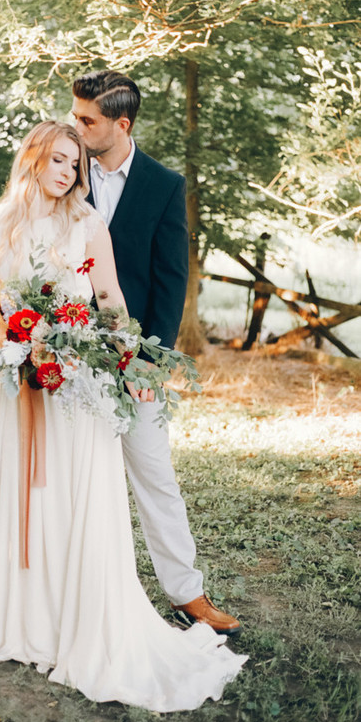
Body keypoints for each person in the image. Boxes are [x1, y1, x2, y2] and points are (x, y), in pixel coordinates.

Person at [0, 120, 246, 711]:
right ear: (33, 156)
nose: (68, 172)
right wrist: (18, 342)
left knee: (72, 494)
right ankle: (21, 617)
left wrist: (128, 361)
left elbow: (110, 301)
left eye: (75, 164)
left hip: (80, 380)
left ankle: (76, 620)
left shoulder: (87, 223)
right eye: (58, 159)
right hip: (18, 377)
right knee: (24, 495)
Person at [71, 71, 240, 634]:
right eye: (75, 116)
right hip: (65, 354)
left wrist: (150, 360)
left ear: (121, 124)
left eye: (87, 119)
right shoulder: (63, 170)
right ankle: (62, 588)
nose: (77, 127)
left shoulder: (164, 185)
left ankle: (187, 594)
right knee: (69, 474)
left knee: (155, 474)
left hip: (134, 357)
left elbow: (171, 280)